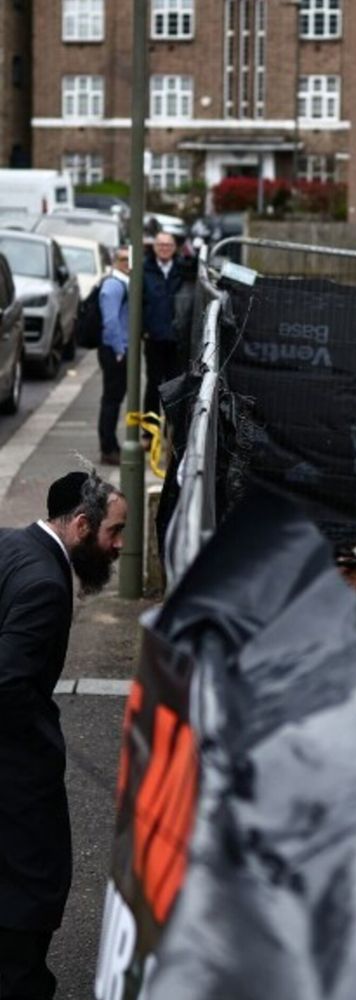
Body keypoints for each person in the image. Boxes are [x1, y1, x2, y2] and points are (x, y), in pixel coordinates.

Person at [0, 471, 127, 999]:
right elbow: (7, 685)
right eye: (114, 532)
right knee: (32, 888)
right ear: (80, 524)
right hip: (15, 776)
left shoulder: (11, 544)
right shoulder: (46, 585)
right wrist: (39, 742)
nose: (119, 546)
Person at [142, 230, 185, 414]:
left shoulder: (183, 269)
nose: (164, 249)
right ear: (154, 247)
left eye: (168, 245)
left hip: (177, 339)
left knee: (174, 387)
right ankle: (149, 433)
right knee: (153, 385)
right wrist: (144, 329)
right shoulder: (144, 269)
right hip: (154, 338)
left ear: (174, 248)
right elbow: (139, 302)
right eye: (161, 245)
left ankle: (172, 434)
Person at [97, 247, 131, 466]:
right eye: (123, 259)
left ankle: (110, 446)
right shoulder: (113, 286)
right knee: (111, 400)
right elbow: (110, 322)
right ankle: (108, 448)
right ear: (114, 261)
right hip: (114, 350)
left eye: (130, 259)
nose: (127, 263)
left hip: (118, 348)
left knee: (114, 399)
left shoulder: (122, 283)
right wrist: (119, 350)